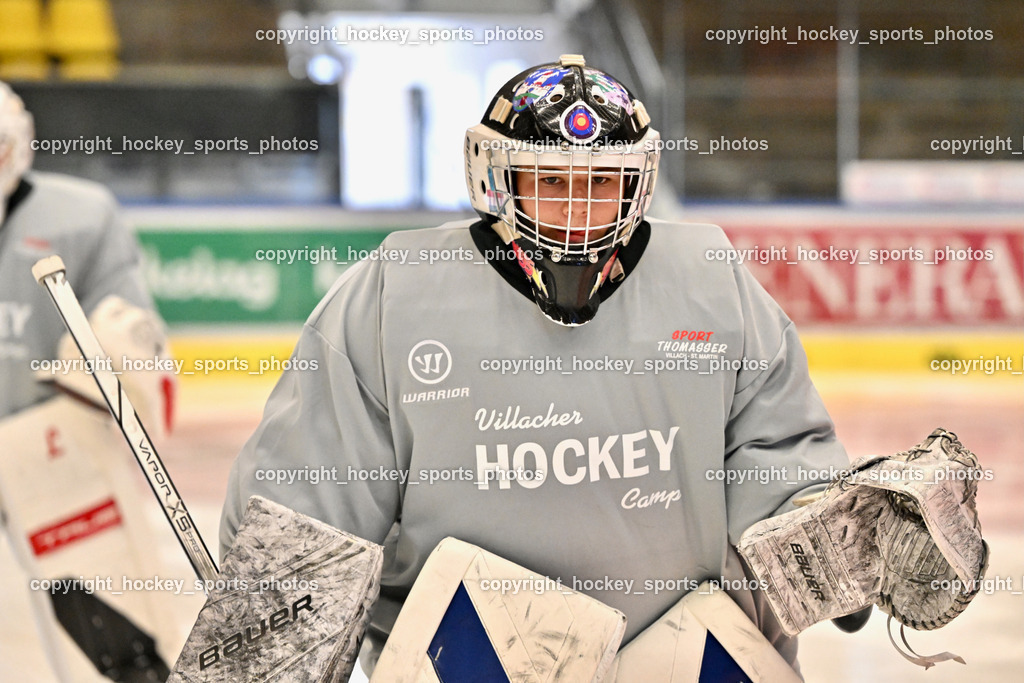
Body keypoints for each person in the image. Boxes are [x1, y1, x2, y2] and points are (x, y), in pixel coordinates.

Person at [220, 54, 850, 675]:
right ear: (498, 180)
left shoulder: (713, 283)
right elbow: (309, 498)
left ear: (638, 184)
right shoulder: (393, 298)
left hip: (693, 657)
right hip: (468, 655)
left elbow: (779, 454)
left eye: (601, 183)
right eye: (552, 181)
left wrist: (840, 545)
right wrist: (267, 635)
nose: (578, 210)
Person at [0, 80, 178, 681]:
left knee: (114, 623)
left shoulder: (81, 215)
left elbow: (135, 337)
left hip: (51, 445)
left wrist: (118, 358)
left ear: (19, 143)